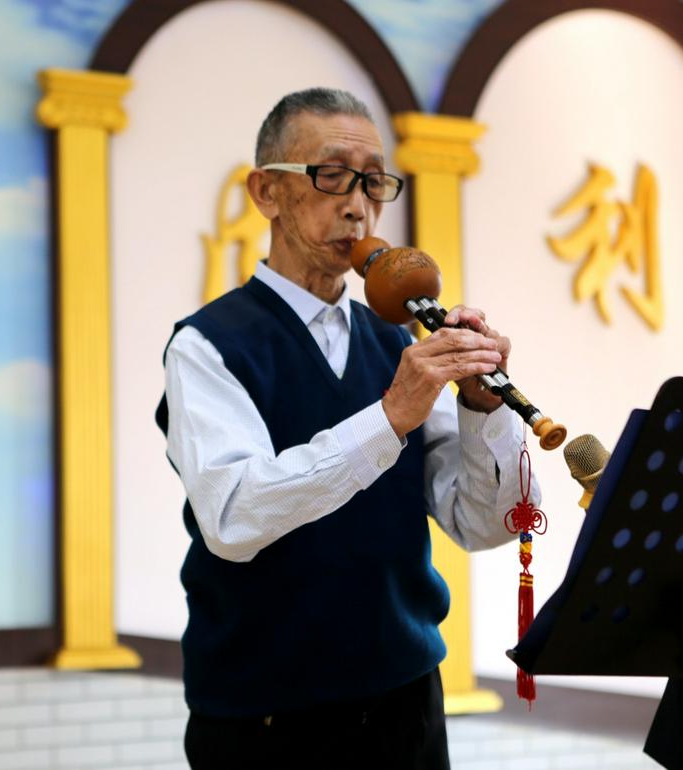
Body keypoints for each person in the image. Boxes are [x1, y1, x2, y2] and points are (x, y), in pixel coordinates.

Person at [156, 87, 540, 770]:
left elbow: (481, 526)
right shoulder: (208, 345)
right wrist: (390, 416)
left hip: (406, 701)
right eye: (332, 175)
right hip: (265, 718)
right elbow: (234, 516)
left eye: (373, 182)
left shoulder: (396, 342)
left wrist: (485, 412)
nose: (358, 205)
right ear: (267, 192)